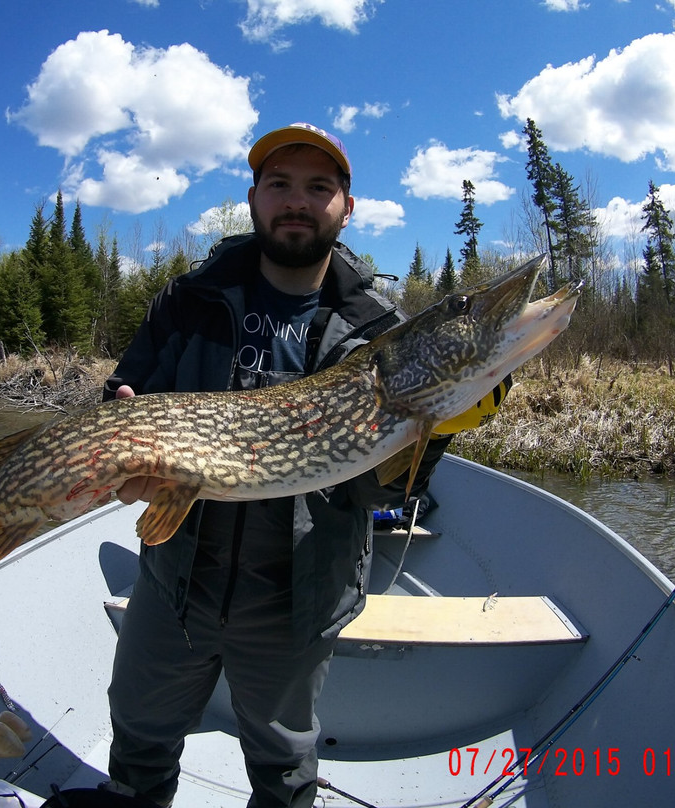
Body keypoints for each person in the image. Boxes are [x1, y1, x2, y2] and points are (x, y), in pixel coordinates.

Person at [101, 123, 496, 808]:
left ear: (347, 206)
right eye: (280, 184)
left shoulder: (379, 333)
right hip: (172, 585)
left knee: (284, 772)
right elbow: (126, 392)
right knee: (137, 741)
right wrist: (121, 435)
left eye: (319, 187)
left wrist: (436, 426)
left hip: (297, 601)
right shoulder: (188, 298)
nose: (297, 201)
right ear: (254, 197)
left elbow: (383, 490)